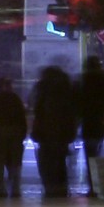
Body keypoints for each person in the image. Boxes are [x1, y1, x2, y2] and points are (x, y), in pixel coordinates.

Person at [32, 64, 77, 197]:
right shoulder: (66, 90)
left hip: (45, 134)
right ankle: (61, 188)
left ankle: (50, 187)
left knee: (46, 162)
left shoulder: (42, 90)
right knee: (60, 161)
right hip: (63, 134)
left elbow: (37, 111)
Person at [76, 54, 104, 194]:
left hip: (88, 122)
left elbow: (77, 102)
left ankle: (92, 186)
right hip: (100, 122)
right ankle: (100, 184)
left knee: (90, 155)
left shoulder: (83, 80)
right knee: (100, 154)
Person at [0, 74, 27, 199]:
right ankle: (15, 188)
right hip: (14, 134)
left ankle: (0, 189)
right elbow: (21, 118)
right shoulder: (15, 99)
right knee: (14, 162)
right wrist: (22, 134)